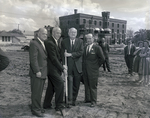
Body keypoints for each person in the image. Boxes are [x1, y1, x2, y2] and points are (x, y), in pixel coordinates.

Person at [43, 27, 67, 111]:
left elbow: (57, 56)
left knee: (51, 86)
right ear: (53, 33)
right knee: (60, 83)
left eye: (60, 33)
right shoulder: (50, 42)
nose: (59, 35)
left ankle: (46, 104)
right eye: (57, 33)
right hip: (51, 69)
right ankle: (59, 105)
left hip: (53, 68)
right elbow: (53, 58)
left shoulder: (55, 42)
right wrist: (62, 68)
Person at [61, 27, 83, 106]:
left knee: (76, 85)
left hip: (77, 67)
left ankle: (74, 100)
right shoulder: (64, 42)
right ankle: (68, 100)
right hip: (68, 66)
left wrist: (71, 54)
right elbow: (62, 55)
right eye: (71, 32)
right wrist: (64, 65)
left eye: (74, 32)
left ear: (76, 34)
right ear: (68, 33)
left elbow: (81, 52)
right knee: (69, 83)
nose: (73, 34)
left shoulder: (80, 41)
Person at [29, 28, 47, 117]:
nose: (45, 35)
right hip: (38, 72)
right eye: (43, 33)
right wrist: (37, 71)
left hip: (43, 72)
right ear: (38, 34)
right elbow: (33, 59)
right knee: (36, 92)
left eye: (46, 34)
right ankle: (35, 109)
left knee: (39, 92)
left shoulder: (41, 43)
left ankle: (37, 107)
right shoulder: (34, 43)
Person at [82, 33, 105, 107]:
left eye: (89, 38)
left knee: (93, 86)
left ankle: (93, 101)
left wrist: (96, 66)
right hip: (85, 70)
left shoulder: (97, 48)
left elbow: (102, 59)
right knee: (86, 85)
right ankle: (87, 99)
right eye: (87, 38)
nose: (88, 40)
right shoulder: (85, 47)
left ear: (93, 39)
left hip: (93, 71)